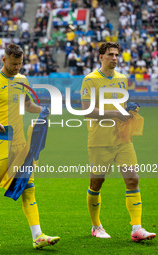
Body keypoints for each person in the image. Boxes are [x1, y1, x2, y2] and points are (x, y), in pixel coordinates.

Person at [0, 43, 60, 249]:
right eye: (13, 63)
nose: (17, 67)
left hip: (20, 145)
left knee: (28, 188)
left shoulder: (22, 80)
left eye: (20, 64)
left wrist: (43, 109)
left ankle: (38, 235)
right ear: (4, 60)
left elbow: (27, 105)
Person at [80, 42, 156, 241]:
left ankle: (136, 229)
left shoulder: (122, 79)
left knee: (133, 179)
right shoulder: (90, 80)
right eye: (110, 54)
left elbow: (121, 107)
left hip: (123, 139)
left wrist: (130, 110)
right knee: (97, 183)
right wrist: (114, 113)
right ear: (101, 57)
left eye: (117, 55)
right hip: (99, 141)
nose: (114, 58)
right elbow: (87, 110)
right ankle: (96, 226)